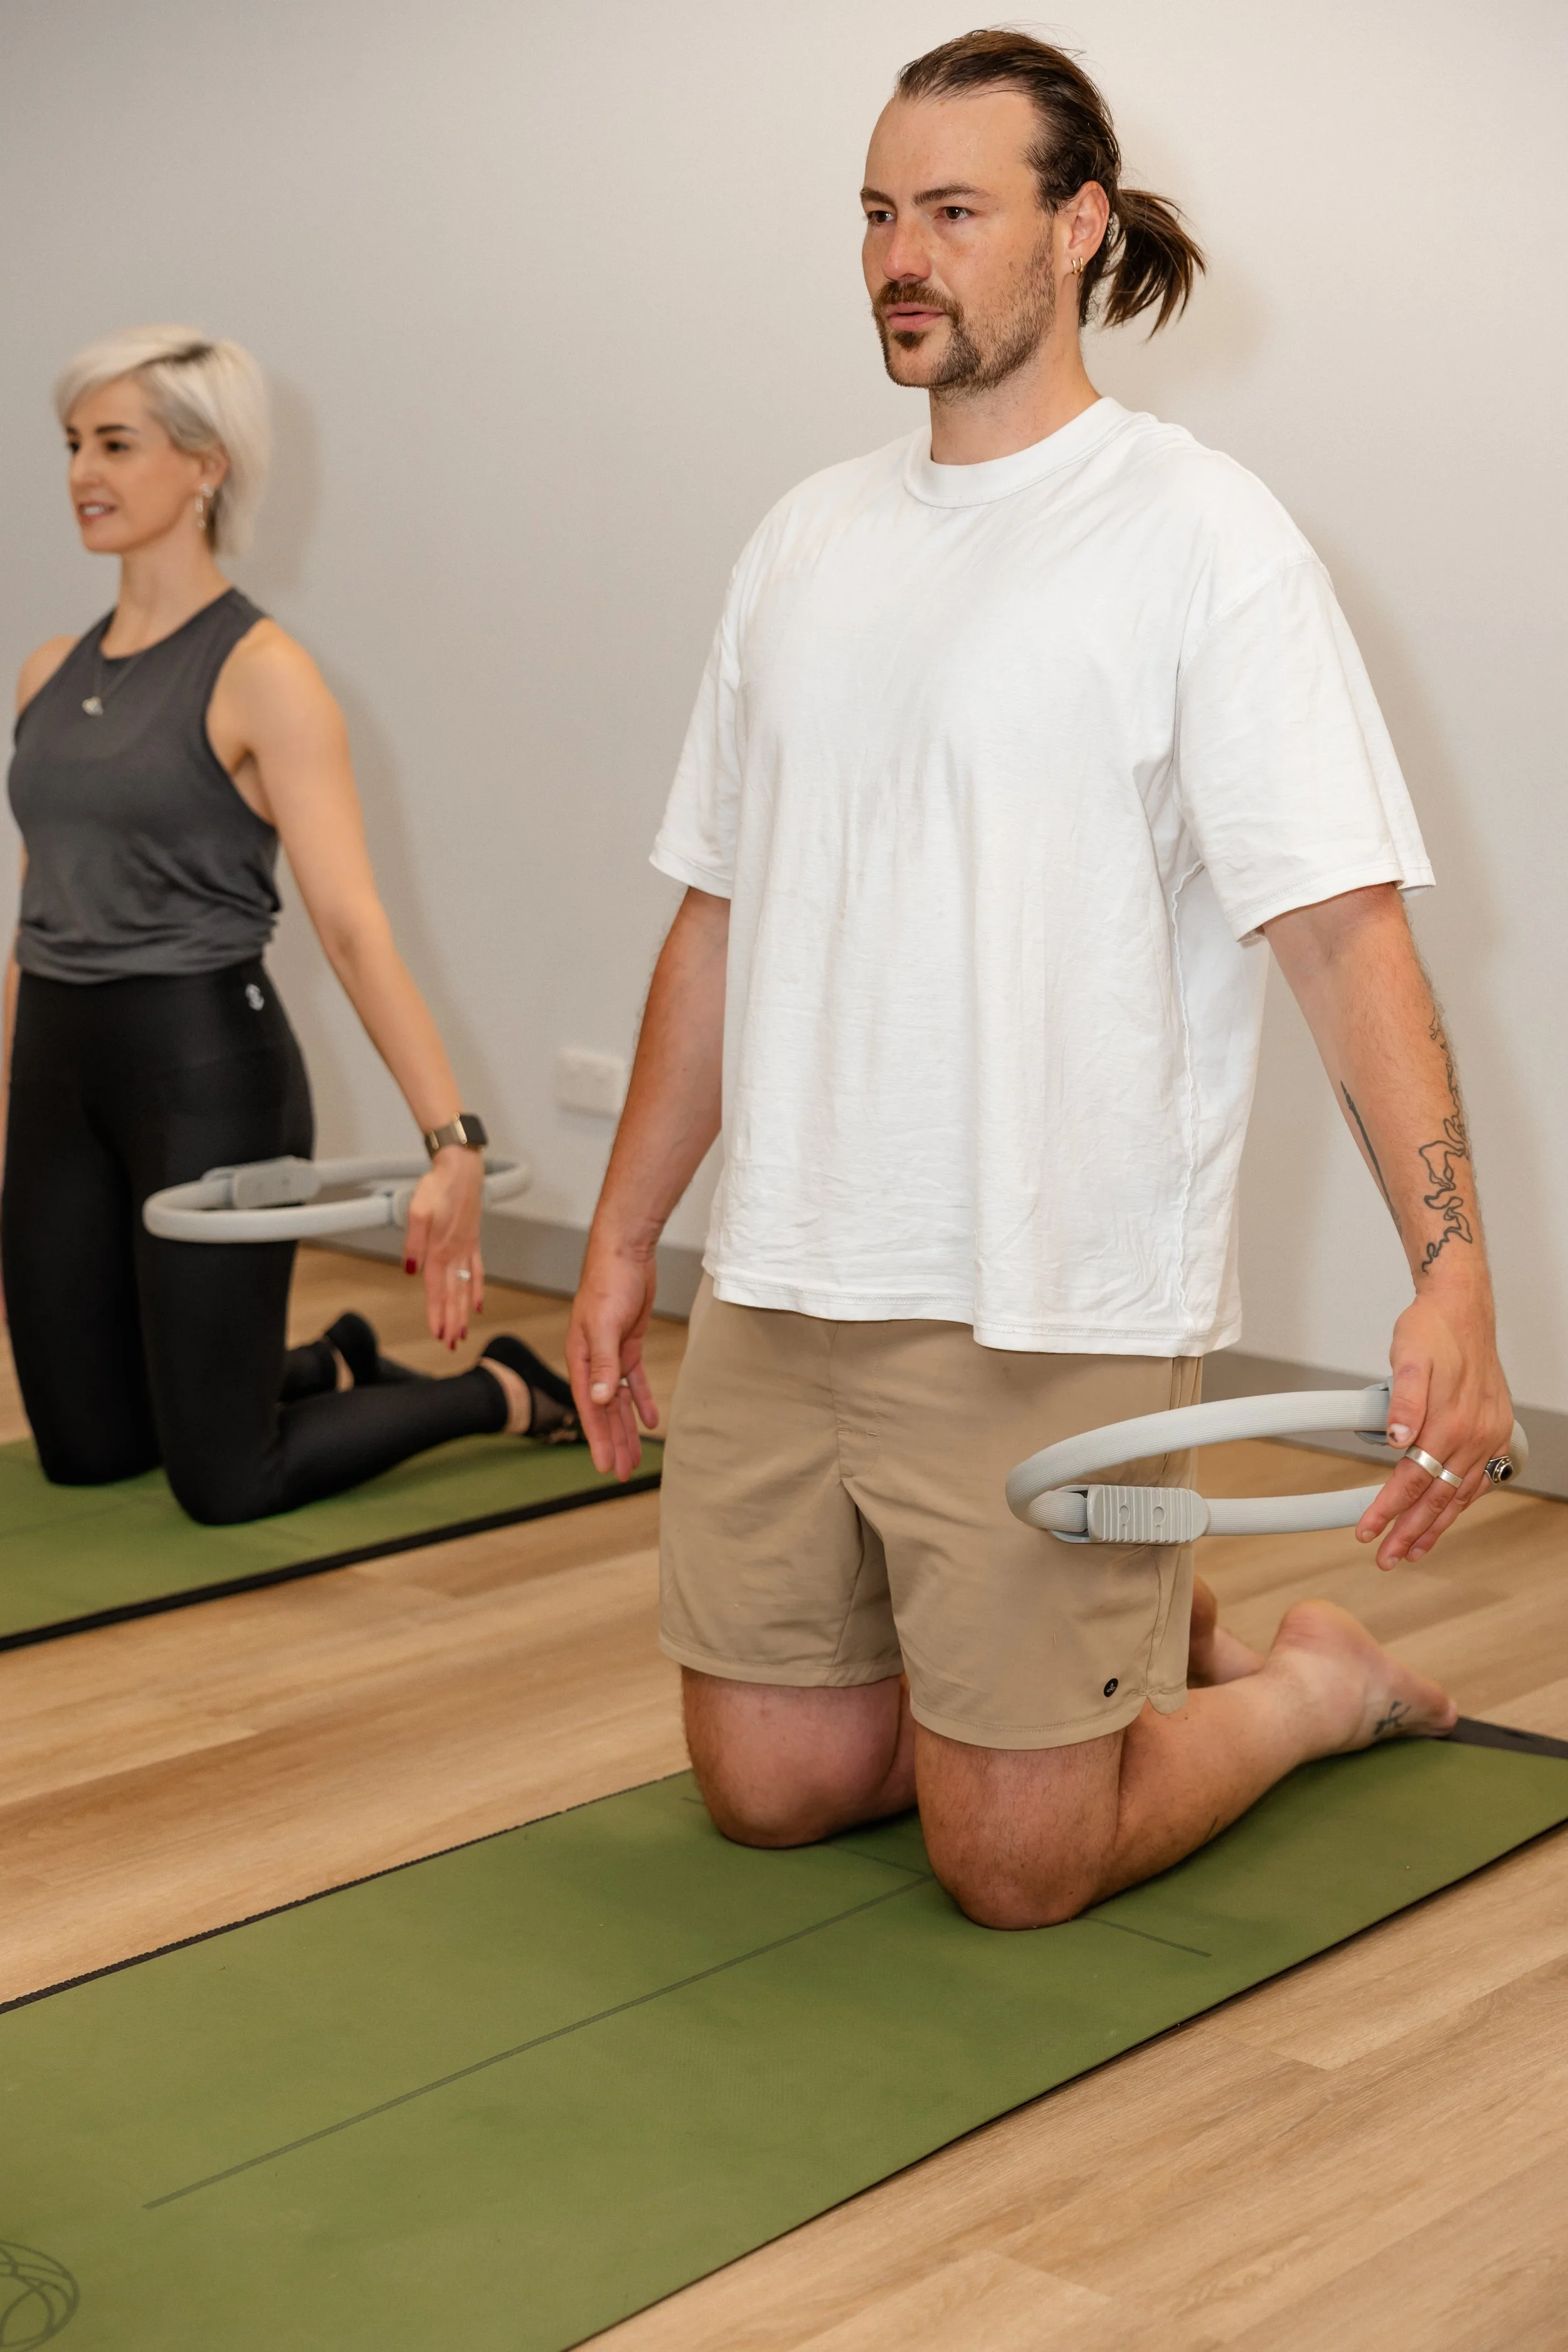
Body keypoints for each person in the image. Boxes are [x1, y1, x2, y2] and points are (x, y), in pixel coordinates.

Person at [566, 31, 1517, 1930]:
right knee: (775, 1790)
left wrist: (1454, 1267)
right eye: (873, 215)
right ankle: (1130, 1619)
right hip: (787, 1279)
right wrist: (617, 1244)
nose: (896, 257)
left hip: (1043, 1291)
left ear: (1075, 229)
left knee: (1013, 1865)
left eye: (950, 212)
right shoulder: (803, 540)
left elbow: (1337, 930)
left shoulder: (1200, 537)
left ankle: (1314, 1683)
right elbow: (721, 914)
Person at [2, 325, 577, 1525]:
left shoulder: (265, 672)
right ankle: (331, 1360)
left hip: (203, 1070)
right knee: (91, 1452)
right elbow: (39, 908)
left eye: (118, 443)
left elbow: (353, 925)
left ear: (206, 465)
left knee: (226, 1479)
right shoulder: (47, 672)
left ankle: (498, 1391)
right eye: (72, 445)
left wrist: (451, 1136)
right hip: (62, 1068)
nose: (82, 473)